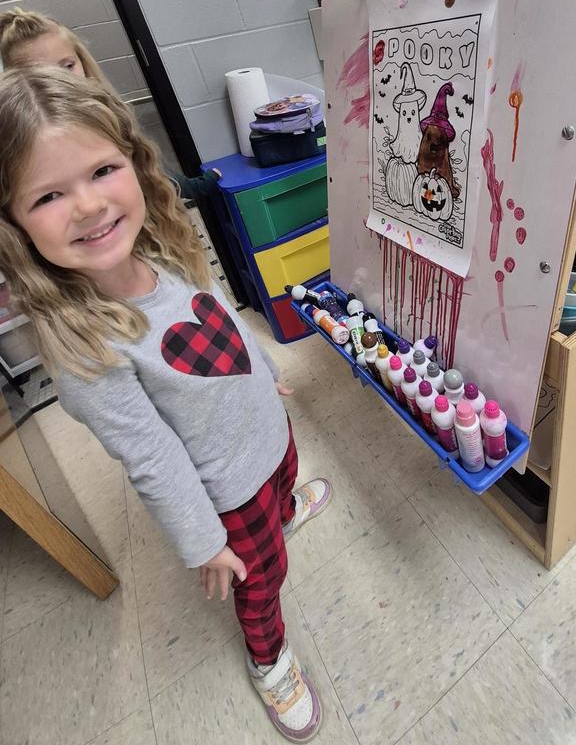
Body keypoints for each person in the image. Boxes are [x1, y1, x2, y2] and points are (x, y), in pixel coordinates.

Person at [0, 67, 329, 742]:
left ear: (134, 160)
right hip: (227, 493)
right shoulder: (87, 344)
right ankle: (268, 661)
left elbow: (224, 323)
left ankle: (287, 507)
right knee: (260, 581)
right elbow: (151, 457)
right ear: (13, 225)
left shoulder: (162, 253)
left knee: (285, 481)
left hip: (267, 432)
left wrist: (263, 370)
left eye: (101, 171)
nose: (89, 206)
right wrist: (205, 542)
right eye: (49, 196)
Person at [0, 8, 221, 204]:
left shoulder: (107, 113)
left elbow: (149, 172)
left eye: (67, 66)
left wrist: (194, 188)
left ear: (81, 60)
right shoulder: (22, 139)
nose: (61, 80)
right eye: (44, 74)